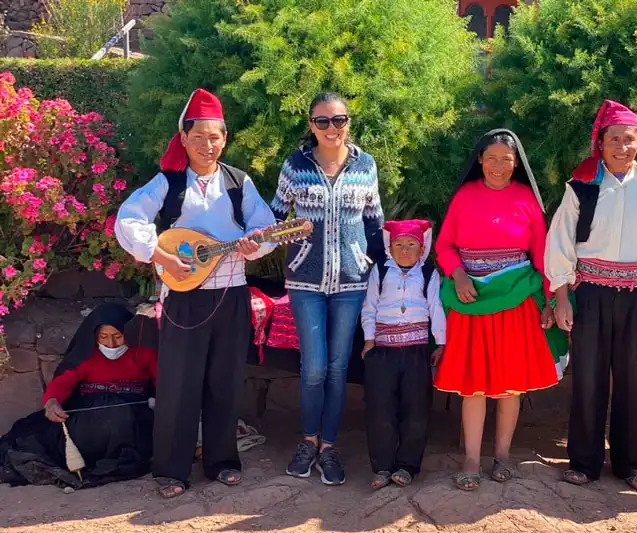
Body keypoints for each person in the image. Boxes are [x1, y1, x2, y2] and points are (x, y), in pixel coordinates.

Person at [116, 89, 278, 498]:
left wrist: (253, 244)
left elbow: (266, 229)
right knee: (179, 382)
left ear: (225, 138)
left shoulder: (239, 182)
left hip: (232, 293)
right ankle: (171, 469)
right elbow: (129, 220)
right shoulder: (167, 183)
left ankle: (222, 461)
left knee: (225, 382)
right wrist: (161, 257)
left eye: (217, 137)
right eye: (201, 137)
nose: (210, 145)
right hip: (184, 297)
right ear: (184, 139)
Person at [545, 100, 637, 492]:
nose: (622, 147)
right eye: (614, 139)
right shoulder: (582, 187)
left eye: (630, 139)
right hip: (589, 294)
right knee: (587, 377)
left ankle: (632, 463)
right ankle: (584, 463)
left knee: (632, 379)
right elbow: (559, 242)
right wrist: (562, 296)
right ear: (600, 144)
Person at [434, 129, 568, 492]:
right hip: (471, 300)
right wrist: (458, 274)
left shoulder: (526, 198)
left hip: (516, 300)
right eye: (490, 158)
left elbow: (541, 256)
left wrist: (549, 301)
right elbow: (444, 246)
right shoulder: (464, 196)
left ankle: (503, 457)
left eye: (505, 159)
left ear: (516, 163)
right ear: (479, 160)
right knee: (472, 385)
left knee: (509, 387)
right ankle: (472, 460)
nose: (497, 166)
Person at [271, 92, 384, 486]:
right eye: (323, 121)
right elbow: (274, 217)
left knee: (337, 368)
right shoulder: (295, 166)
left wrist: (382, 270)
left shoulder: (365, 165)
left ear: (349, 122)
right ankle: (307, 441)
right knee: (314, 367)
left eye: (339, 120)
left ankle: (329, 446)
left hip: (352, 281)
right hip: (305, 281)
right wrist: (262, 241)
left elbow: (374, 223)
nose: (331, 128)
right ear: (311, 124)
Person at [0, 304, 157, 489]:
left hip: (134, 415)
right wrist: (52, 402)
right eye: (104, 337)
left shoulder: (145, 353)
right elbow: (64, 382)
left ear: (128, 333)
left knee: (120, 416)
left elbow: (163, 384)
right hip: (92, 419)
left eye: (118, 336)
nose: (111, 344)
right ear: (95, 336)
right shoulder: (87, 355)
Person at [361, 219, 446, 489]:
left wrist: (441, 343)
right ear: (390, 247)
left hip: (416, 351)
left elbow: (436, 308)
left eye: (412, 244)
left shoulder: (430, 274)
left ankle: (407, 466)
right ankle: (383, 466)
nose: (405, 250)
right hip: (383, 351)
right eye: (399, 244)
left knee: (416, 409)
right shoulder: (381, 272)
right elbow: (370, 307)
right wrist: (369, 340)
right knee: (380, 410)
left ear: (422, 249)